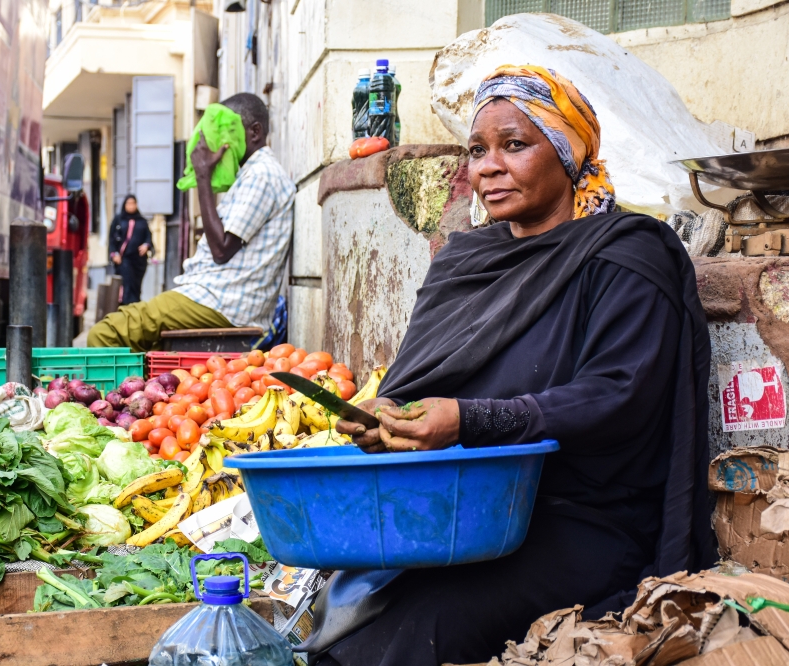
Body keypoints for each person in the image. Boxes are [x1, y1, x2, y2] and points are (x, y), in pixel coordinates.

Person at [304, 66, 715, 666]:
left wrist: (470, 422)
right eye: (477, 151)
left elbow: (617, 396)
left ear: (570, 151)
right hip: (463, 512)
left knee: (416, 629)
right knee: (340, 609)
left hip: (581, 521)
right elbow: (420, 382)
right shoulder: (465, 262)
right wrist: (385, 417)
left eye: (514, 145)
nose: (488, 167)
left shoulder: (626, 254)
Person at [88, 93, 295, 351]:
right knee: (140, 344)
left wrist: (203, 177)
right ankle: (141, 391)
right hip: (212, 296)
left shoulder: (262, 174)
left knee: (106, 333)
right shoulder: (250, 175)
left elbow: (221, 250)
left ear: (255, 132)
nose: (220, 140)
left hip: (224, 303)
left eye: (228, 129)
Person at [108, 194, 153, 305]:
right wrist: (114, 254)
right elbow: (112, 238)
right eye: (129, 203)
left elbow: (148, 237)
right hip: (124, 258)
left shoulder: (142, 221)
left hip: (138, 260)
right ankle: (126, 307)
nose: (131, 206)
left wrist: (146, 245)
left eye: (133, 203)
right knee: (127, 283)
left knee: (136, 285)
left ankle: (135, 306)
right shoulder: (119, 220)